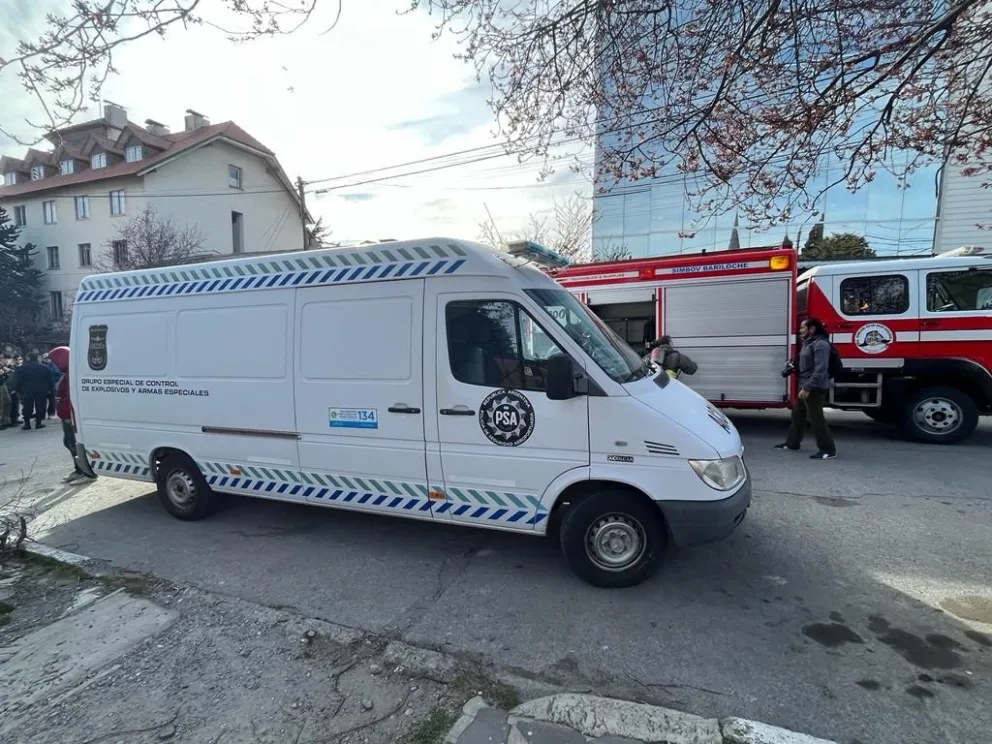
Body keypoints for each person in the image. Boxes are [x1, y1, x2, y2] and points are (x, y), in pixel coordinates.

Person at [777, 317, 837, 459]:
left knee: (816, 417)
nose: (800, 330)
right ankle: (792, 443)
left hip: (814, 387)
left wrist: (808, 387)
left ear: (812, 329)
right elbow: (803, 364)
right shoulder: (808, 343)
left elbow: (821, 370)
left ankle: (828, 449)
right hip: (805, 385)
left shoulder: (821, 344)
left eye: (803, 327)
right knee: (798, 414)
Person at [48, 346, 94, 484]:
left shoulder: (72, 375)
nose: (54, 366)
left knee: (73, 443)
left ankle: (87, 472)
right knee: (68, 443)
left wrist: (66, 412)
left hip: (70, 416)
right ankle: (79, 470)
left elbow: (71, 397)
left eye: (55, 362)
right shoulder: (68, 374)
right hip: (66, 415)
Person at [12, 351, 55, 430]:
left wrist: (17, 389)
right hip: (42, 389)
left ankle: (27, 424)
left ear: (28, 358)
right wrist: (51, 390)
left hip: (27, 389)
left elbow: (17, 380)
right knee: (40, 405)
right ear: (37, 358)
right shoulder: (44, 367)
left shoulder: (22, 368)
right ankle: (38, 423)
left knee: (27, 406)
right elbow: (50, 380)